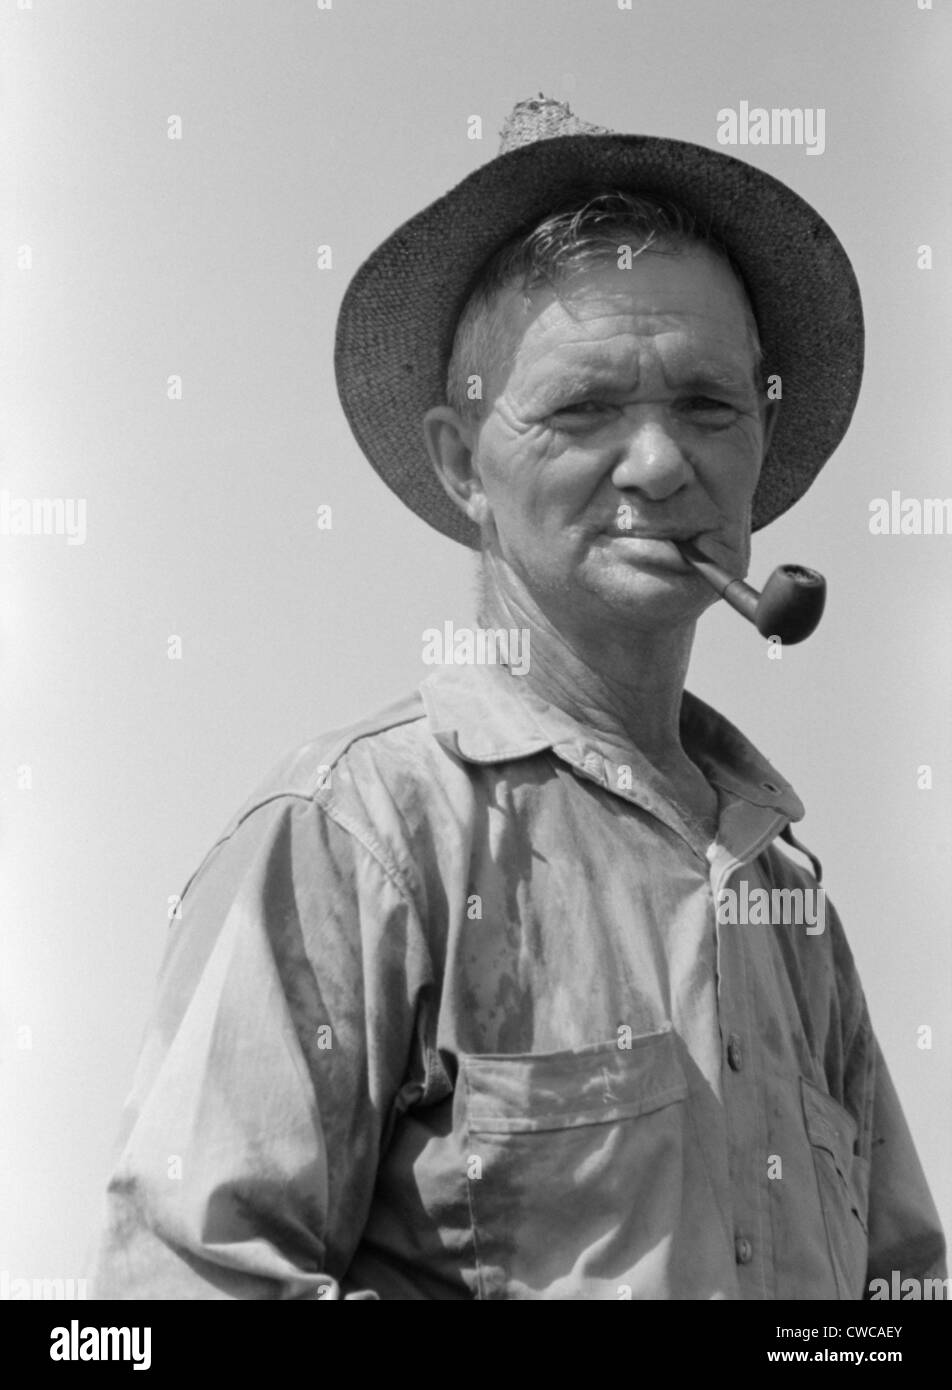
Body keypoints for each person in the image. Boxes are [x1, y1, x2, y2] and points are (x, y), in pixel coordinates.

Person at [91, 96, 946, 1300]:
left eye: (707, 405)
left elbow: (899, 1293)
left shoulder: (786, 906)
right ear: (461, 462)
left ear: (759, 444)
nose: (657, 462)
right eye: (584, 409)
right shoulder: (351, 839)